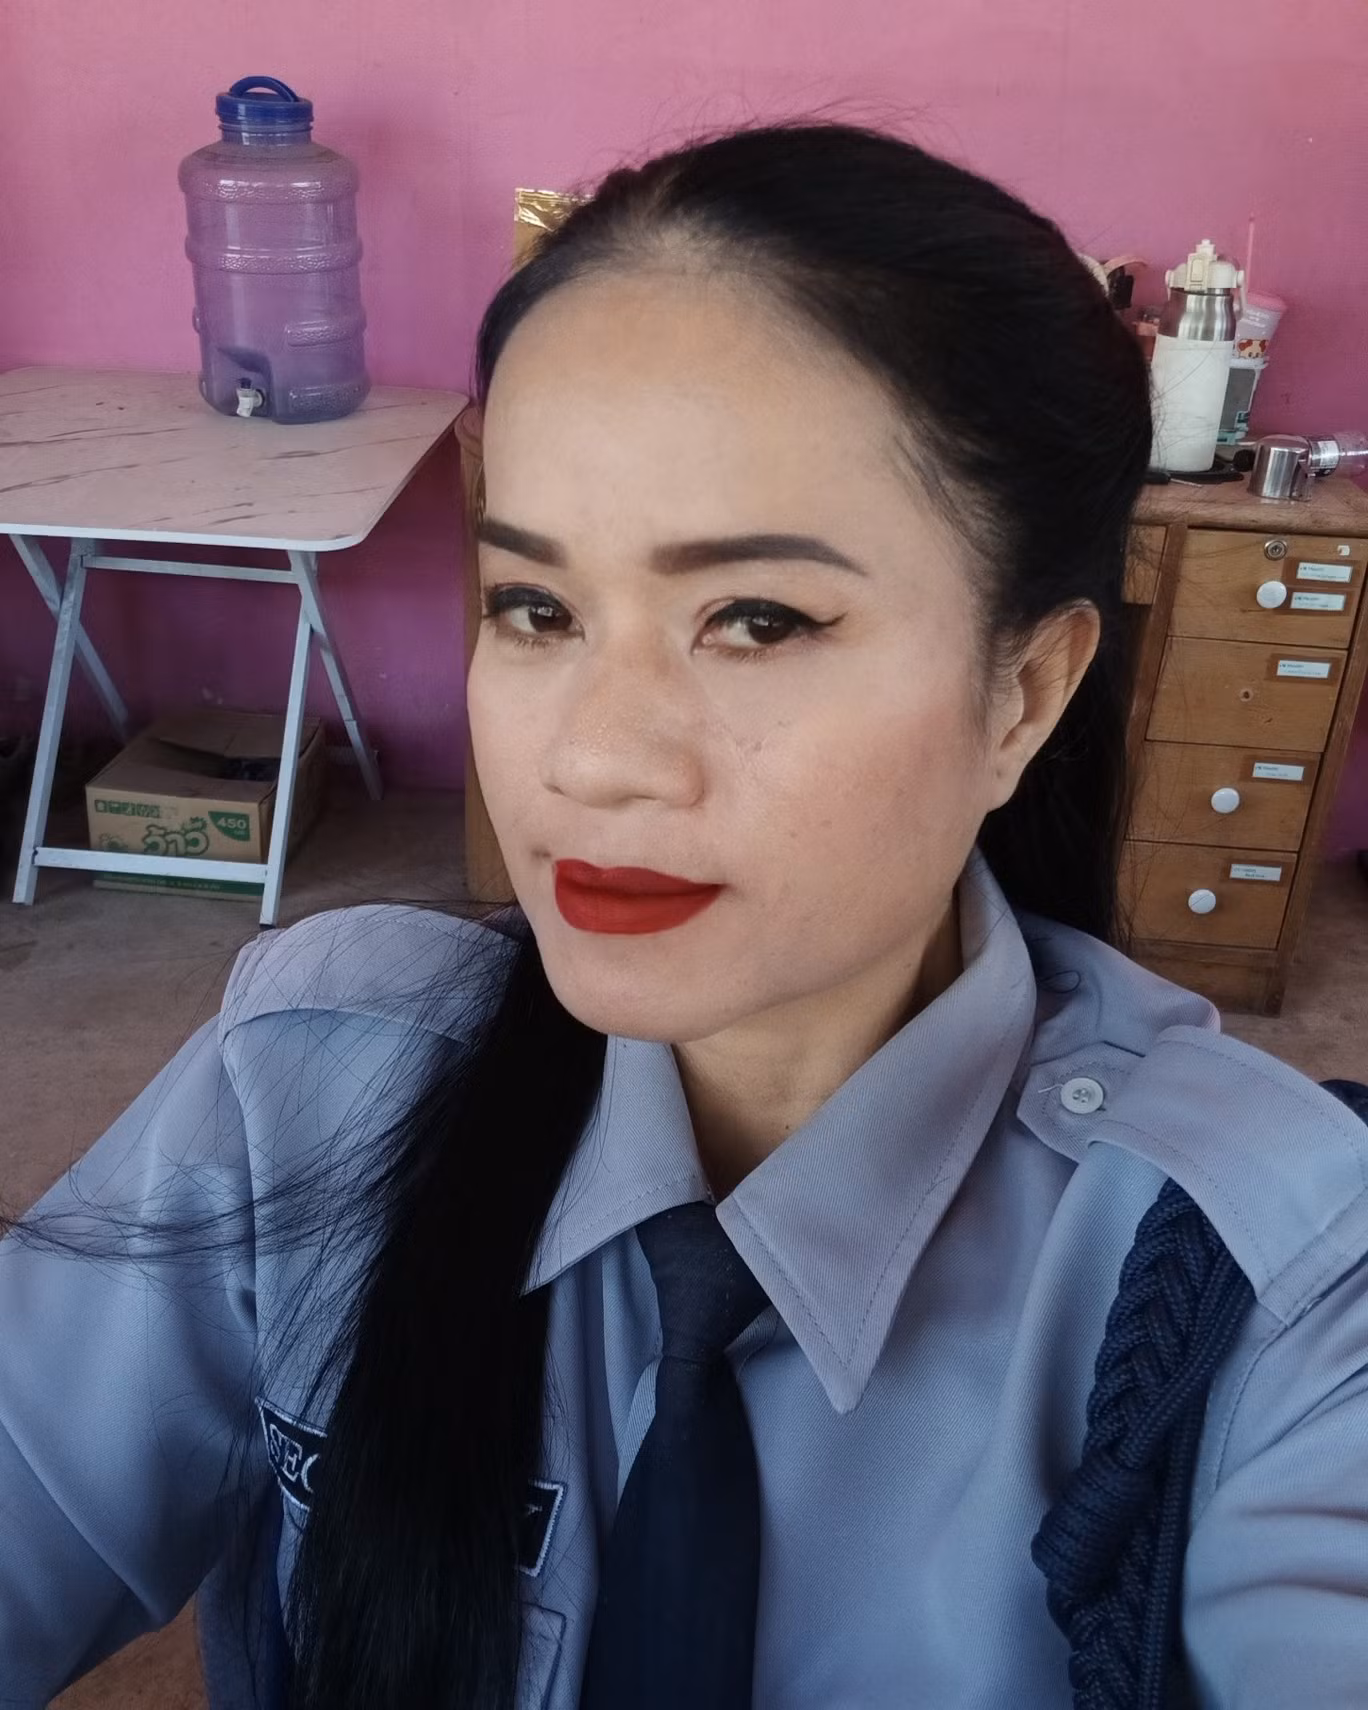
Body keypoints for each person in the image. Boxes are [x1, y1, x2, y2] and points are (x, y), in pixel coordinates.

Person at [3, 119, 1368, 1710]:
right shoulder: (312, 1087)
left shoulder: (1268, 1286)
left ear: (1026, 690)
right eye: (536, 606)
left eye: (757, 618)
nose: (590, 757)